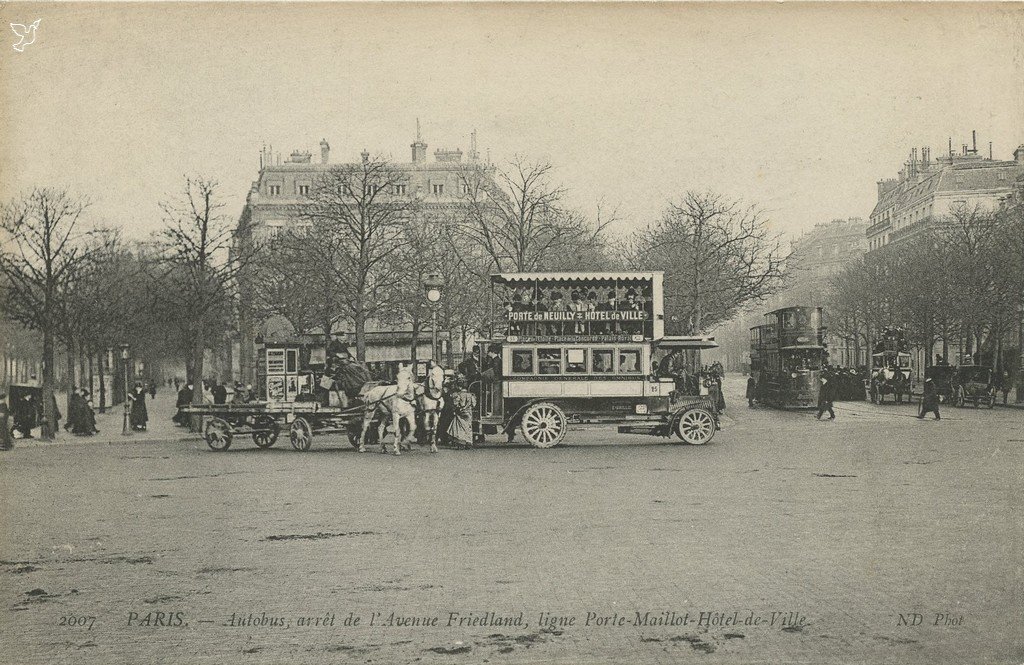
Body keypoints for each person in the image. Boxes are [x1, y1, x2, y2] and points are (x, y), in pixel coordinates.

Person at [445, 376, 477, 448]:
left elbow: (455, 404)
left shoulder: (457, 395)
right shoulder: (471, 395)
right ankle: (468, 441)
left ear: (459, 386)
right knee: (468, 427)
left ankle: (461, 441)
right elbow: (474, 404)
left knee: (459, 426)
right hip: (468, 412)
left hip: (460, 412)